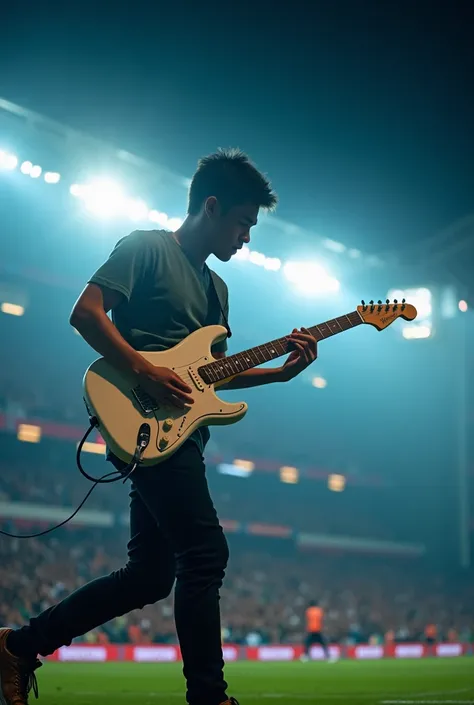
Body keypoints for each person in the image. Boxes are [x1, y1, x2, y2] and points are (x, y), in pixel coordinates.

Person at [0, 149, 319, 705]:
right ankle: (209, 697)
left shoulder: (218, 291)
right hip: (137, 419)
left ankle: (19, 646)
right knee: (205, 552)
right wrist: (145, 368)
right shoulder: (145, 247)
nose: (247, 237)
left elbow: (208, 378)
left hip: (182, 432)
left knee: (150, 576)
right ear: (211, 207)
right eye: (243, 222)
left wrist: (276, 377)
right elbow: (86, 312)